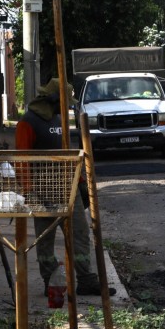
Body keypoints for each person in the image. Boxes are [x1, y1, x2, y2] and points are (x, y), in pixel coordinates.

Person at [15, 78, 113, 297]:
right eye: (65, 100)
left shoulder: (60, 120)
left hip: (68, 187)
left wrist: (80, 184)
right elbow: (22, 160)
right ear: (53, 98)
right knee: (44, 238)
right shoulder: (28, 122)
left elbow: (70, 155)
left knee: (80, 233)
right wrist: (29, 191)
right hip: (42, 189)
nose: (68, 105)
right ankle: (51, 282)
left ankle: (86, 280)